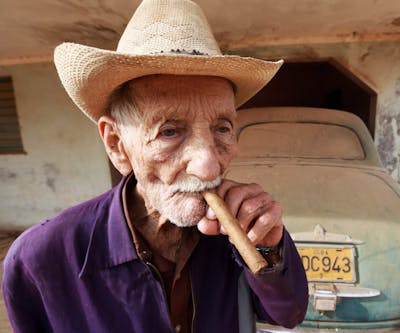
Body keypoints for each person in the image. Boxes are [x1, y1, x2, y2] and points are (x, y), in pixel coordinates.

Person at [2, 0, 308, 332]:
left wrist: (268, 248)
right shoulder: (40, 261)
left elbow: (287, 314)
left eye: (222, 128)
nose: (209, 166)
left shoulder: (237, 231)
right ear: (117, 145)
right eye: (170, 131)